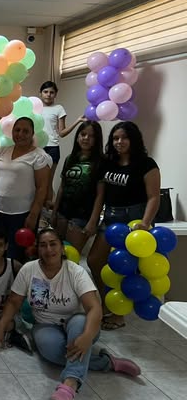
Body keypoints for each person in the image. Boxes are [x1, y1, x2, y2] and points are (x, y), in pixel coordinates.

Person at [0, 228, 141, 400]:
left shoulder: (75, 271)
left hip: (77, 322)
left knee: (79, 325)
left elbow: (94, 308)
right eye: (43, 245)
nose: (48, 249)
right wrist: (0, 327)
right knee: (53, 353)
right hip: (45, 324)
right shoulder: (29, 269)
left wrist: (87, 336)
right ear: (38, 249)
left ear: (62, 248)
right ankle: (108, 362)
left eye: (53, 244)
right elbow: (14, 302)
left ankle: (70, 383)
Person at [87, 121, 160, 331]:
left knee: (124, 268)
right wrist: (94, 220)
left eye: (124, 138)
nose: (119, 142)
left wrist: (145, 223)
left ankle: (118, 314)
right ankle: (106, 303)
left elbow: (154, 197)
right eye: (115, 138)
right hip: (111, 217)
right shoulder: (108, 162)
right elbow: (101, 195)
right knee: (94, 260)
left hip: (134, 218)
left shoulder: (146, 164)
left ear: (134, 139)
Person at [0, 117, 51, 261]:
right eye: (17, 130)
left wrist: (33, 215)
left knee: (15, 256)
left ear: (32, 133)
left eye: (25, 131)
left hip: (21, 215)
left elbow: (42, 188)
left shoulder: (39, 156)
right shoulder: (3, 151)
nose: (20, 134)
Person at [52, 121, 104, 254]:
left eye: (91, 136)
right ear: (77, 137)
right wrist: (54, 212)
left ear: (97, 139)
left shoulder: (101, 162)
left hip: (83, 216)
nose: (86, 138)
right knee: (57, 254)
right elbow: (62, 187)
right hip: (62, 213)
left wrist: (93, 221)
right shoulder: (70, 158)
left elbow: (100, 195)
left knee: (72, 255)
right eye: (83, 134)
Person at [39, 81, 86, 207]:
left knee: (48, 182)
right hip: (37, 147)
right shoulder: (35, 107)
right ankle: (38, 209)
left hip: (52, 148)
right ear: (40, 93)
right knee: (37, 181)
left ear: (55, 94)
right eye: (45, 92)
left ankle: (47, 210)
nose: (48, 94)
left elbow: (62, 133)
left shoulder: (58, 108)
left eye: (51, 92)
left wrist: (78, 121)